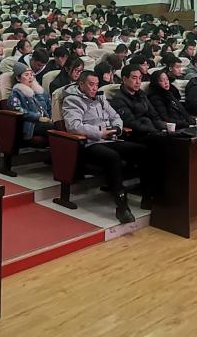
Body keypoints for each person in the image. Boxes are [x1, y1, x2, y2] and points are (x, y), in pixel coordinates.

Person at [62, 71, 149, 223]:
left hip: (109, 139)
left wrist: (117, 128)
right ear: (81, 84)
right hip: (88, 143)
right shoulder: (72, 100)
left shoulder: (100, 98)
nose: (94, 88)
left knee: (143, 150)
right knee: (112, 157)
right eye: (91, 84)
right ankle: (122, 206)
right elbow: (74, 126)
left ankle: (148, 196)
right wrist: (99, 132)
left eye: (97, 85)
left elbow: (115, 116)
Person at [109, 66, 165, 138]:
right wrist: (154, 131)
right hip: (136, 135)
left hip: (151, 131)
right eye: (134, 78)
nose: (138, 82)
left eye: (140, 78)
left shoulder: (141, 94)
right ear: (124, 79)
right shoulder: (119, 99)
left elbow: (154, 115)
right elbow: (131, 123)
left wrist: (163, 127)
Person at [6, 62, 52, 143]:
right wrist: (38, 117)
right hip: (31, 124)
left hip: (46, 120)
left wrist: (51, 117)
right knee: (52, 127)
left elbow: (50, 106)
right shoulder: (16, 93)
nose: (30, 77)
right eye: (26, 75)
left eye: (31, 74)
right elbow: (17, 110)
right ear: (18, 78)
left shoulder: (40, 91)